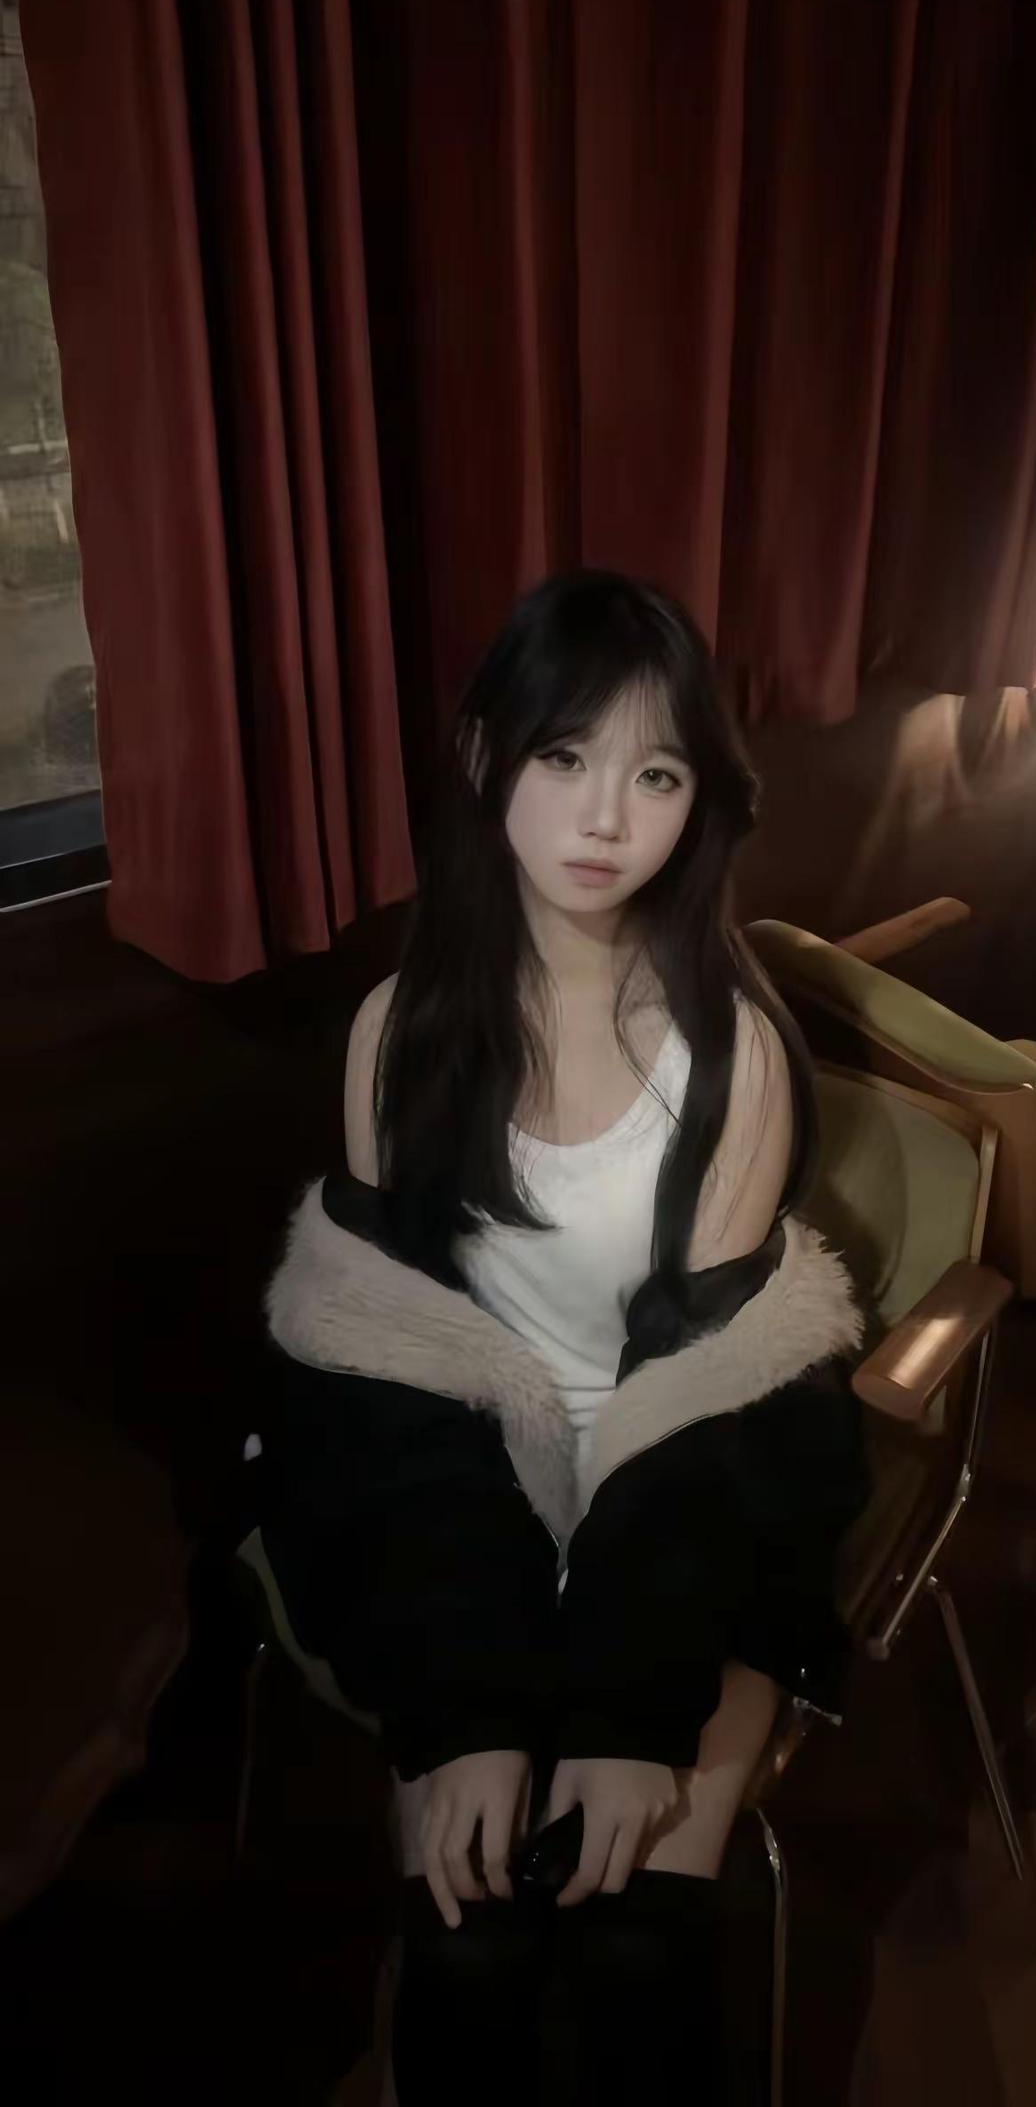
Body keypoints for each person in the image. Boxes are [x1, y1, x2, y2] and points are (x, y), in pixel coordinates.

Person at [257, 569, 869, 2103]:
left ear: (698, 801)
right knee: (467, 1949)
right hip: (468, 1496)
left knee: (633, 1942)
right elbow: (392, 1377)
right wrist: (467, 1711)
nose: (606, 817)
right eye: (565, 756)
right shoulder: (399, 1035)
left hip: (688, 1513)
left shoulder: (729, 1052)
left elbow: (718, 1398)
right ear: (488, 759)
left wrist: (631, 1715)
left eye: (655, 775)